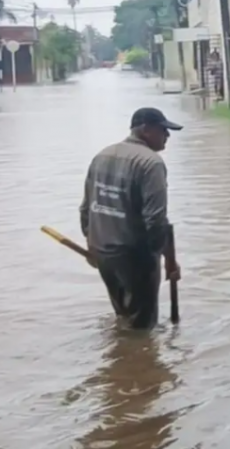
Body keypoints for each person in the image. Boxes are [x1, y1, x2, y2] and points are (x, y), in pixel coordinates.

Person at [79, 107, 182, 331]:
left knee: (124, 315)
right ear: (145, 130)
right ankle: (139, 362)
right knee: (142, 327)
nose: (167, 136)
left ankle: (123, 358)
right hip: (135, 257)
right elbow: (155, 221)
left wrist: (92, 244)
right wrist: (164, 259)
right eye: (163, 130)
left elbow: (86, 209)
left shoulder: (102, 155)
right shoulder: (151, 163)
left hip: (104, 252)